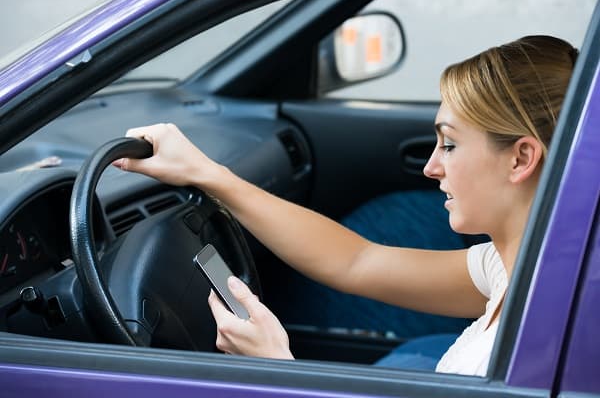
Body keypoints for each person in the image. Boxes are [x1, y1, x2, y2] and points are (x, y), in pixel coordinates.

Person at [113, 35, 577, 376]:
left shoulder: (546, 335)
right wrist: (209, 174)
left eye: (450, 145)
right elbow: (357, 260)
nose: (431, 167)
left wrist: (276, 366)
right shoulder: (516, 267)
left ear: (520, 158)